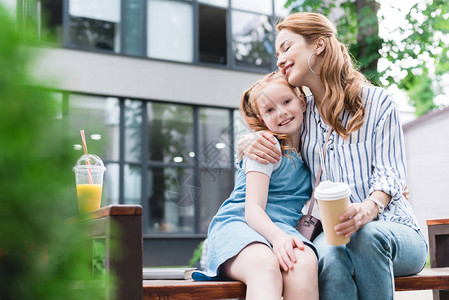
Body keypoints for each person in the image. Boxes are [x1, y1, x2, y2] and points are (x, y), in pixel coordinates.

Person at [237, 12, 427, 300]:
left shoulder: (378, 102)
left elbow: (390, 173)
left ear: (319, 45)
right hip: (334, 234)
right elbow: (279, 141)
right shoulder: (301, 112)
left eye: (286, 47)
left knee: (367, 235)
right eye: (277, 53)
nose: (279, 59)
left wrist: (369, 208)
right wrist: (247, 142)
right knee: (329, 257)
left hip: (393, 228)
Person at [192, 72, 319, 300]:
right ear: (261, 119)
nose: (281, 112)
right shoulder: (265, 146)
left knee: (304, 262)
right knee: (265, 265)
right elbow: (253, 210)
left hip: (280, 229)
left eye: (286, 101)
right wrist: (279, 239)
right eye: (269, 110)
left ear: (302, 100)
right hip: (240, 225)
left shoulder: (312, 152)